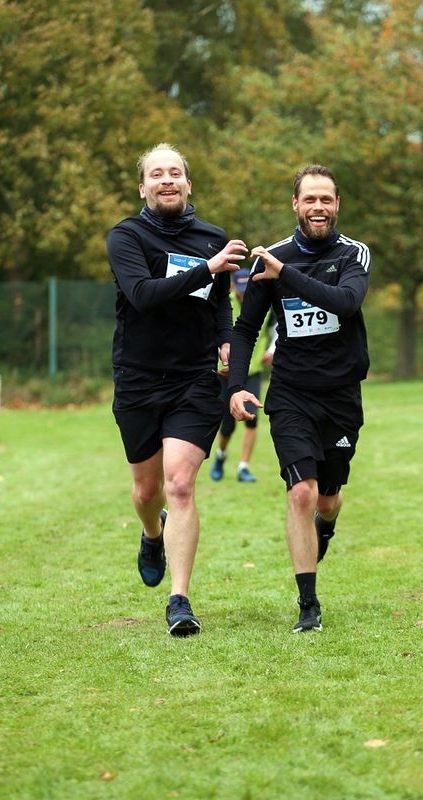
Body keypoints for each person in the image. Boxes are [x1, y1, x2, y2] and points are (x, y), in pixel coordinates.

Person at [106, 143, 248, 636]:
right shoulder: (126, 237)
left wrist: (227, 341)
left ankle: (180, 600)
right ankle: (152, 533)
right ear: (142, 187)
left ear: (188, 183)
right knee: (147, 491)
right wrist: (206, 269)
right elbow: (143, 295)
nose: (166, 180)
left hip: (194, 379)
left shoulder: (212, 238)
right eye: (156, 173)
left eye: (175, 172)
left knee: (181, 483)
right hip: (139, 379)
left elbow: (219, 305)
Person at [228, 164, 371, 633]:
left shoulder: (353, 254)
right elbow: (246, 329)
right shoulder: (270, 260)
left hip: (340, 396)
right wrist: (236, 386)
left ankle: (326, 526)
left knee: (326, 500)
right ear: (295, 204)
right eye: (309, 199)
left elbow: (345, 302)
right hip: (290, 393)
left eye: (326, 199)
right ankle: (308, 605)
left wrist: (284, 273)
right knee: (301, 492)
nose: (318, 207)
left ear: (337, 204)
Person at [210, 267, 276, 484]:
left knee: (251, 419)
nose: (243, 293)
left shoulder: (264, 304)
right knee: (228, 424)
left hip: (252, 370)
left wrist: (271, 350)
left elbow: (276, 329)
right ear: (233, 286)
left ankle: (244, 467)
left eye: (246, 289)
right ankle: (221, 455)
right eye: (240, 289)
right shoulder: (224, 303)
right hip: (226, 371)